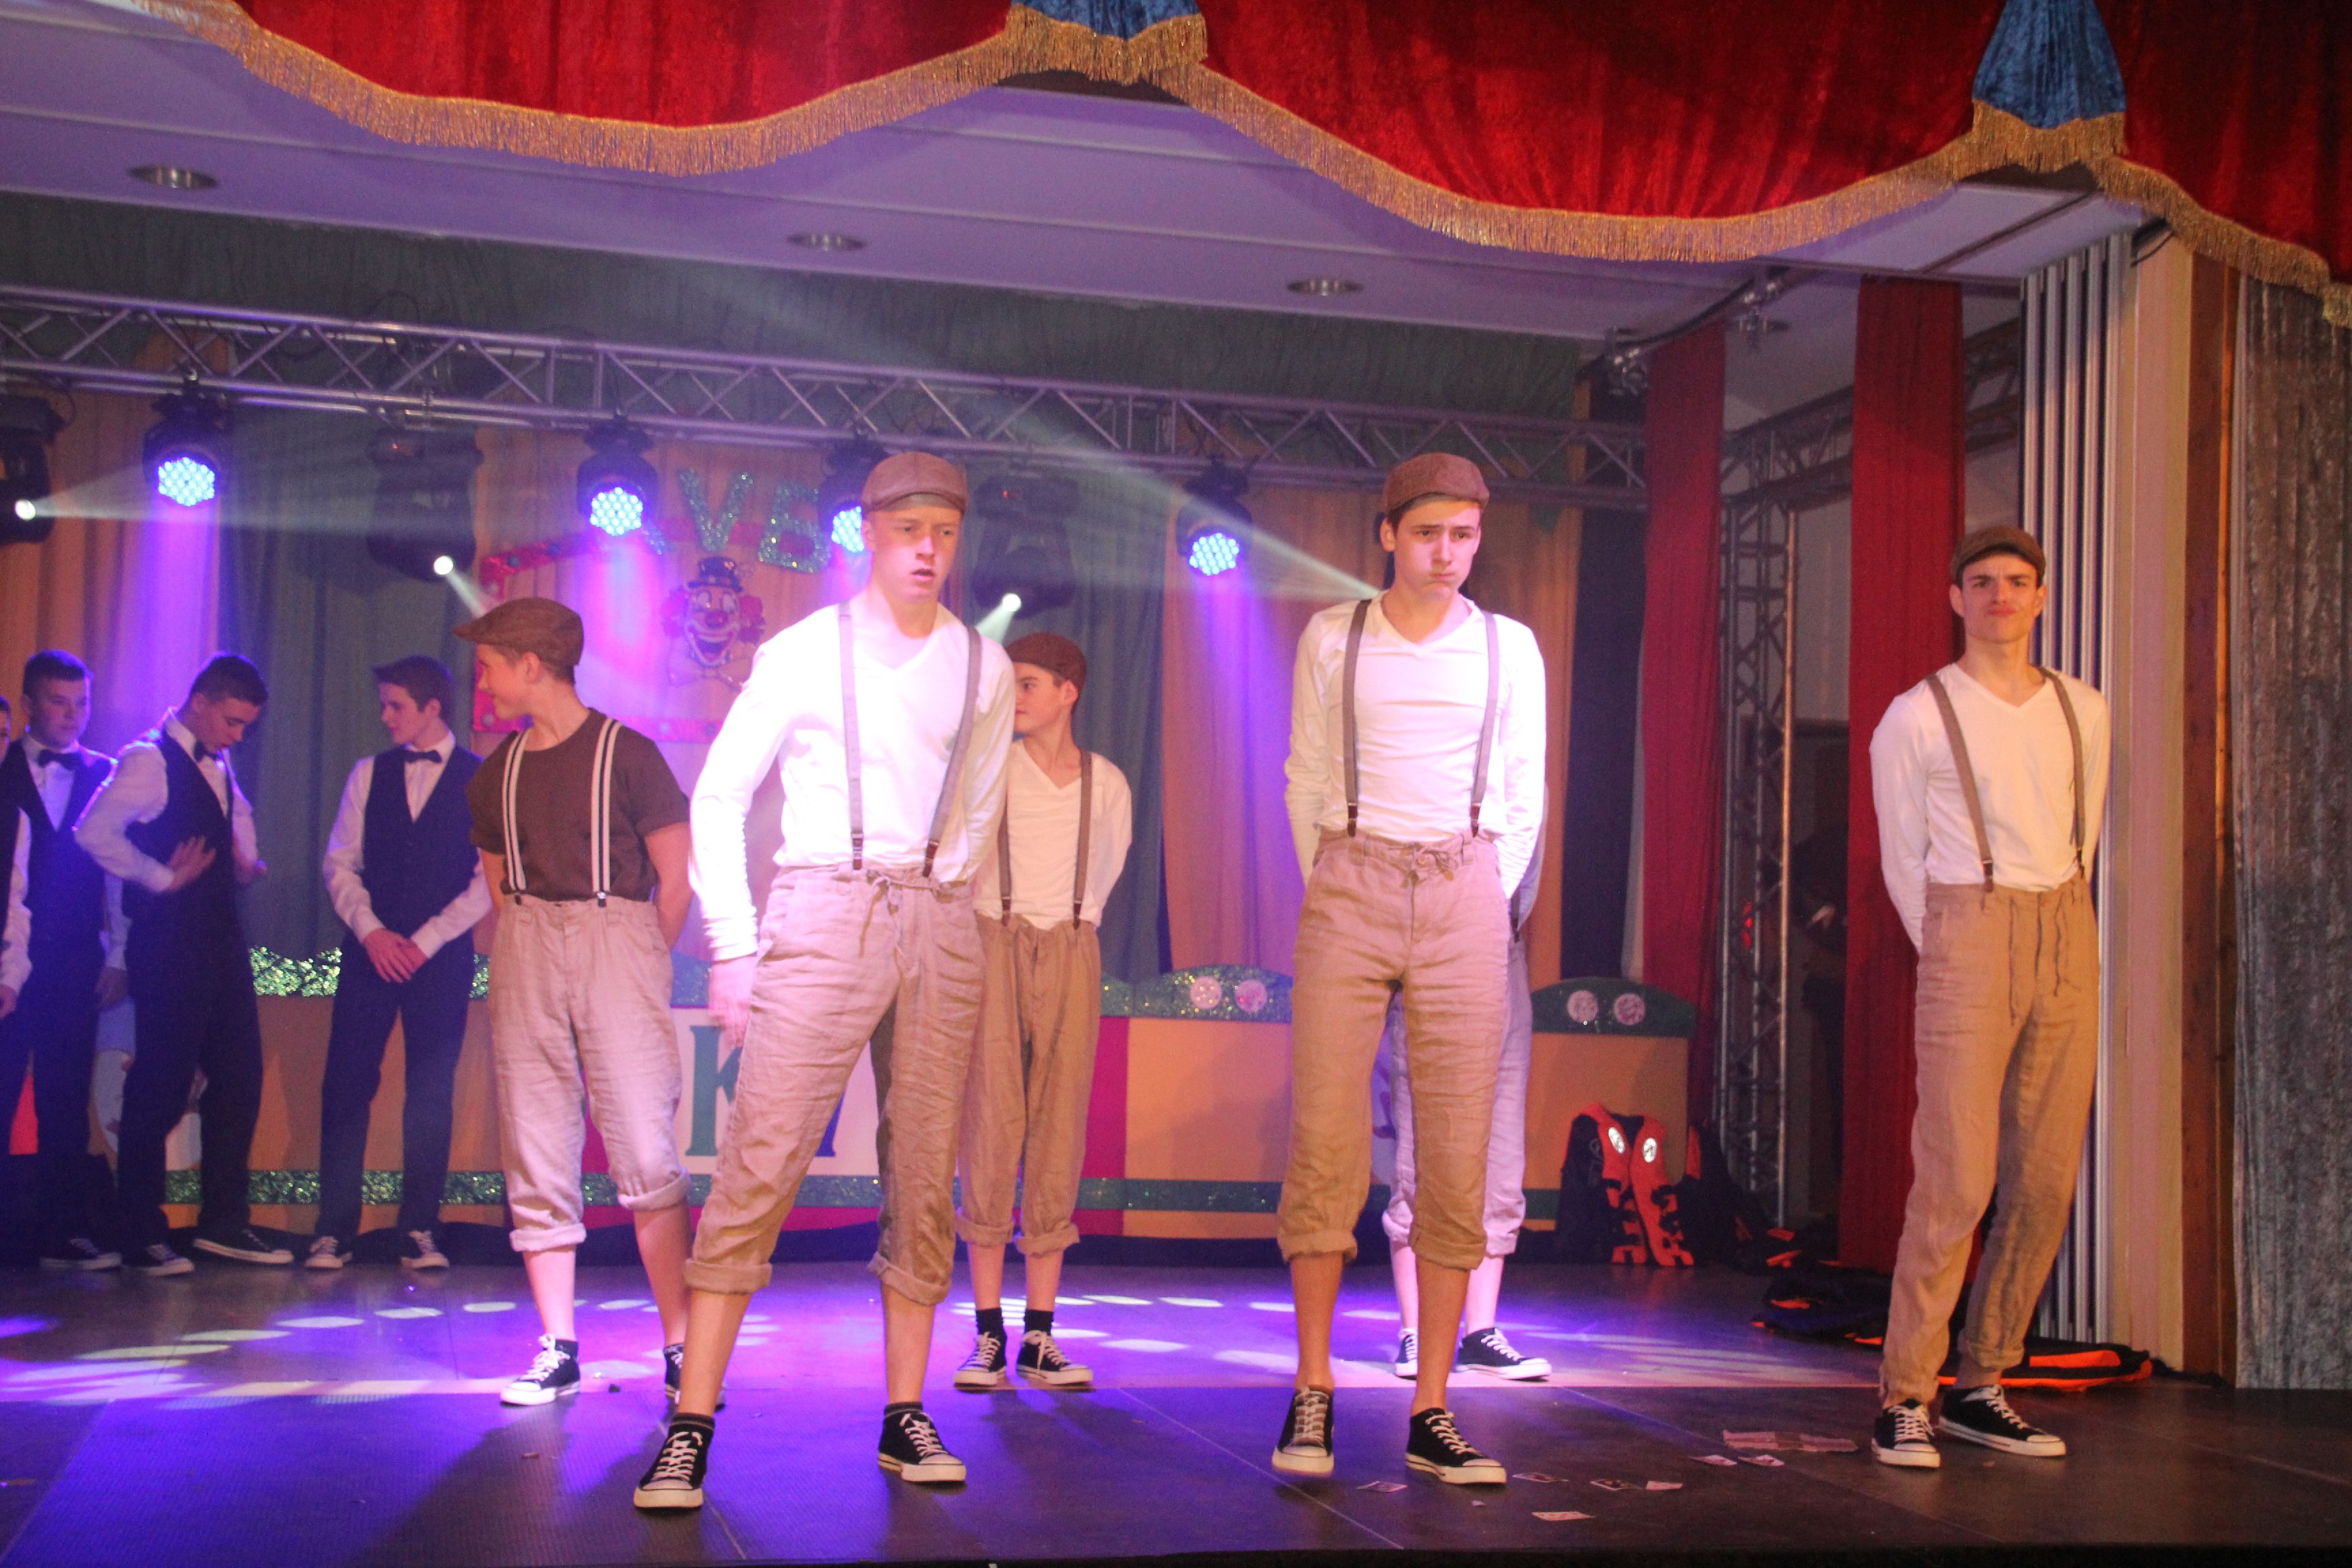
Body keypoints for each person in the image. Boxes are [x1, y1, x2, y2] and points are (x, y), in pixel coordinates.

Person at [636, 451, 1013, 1509]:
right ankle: (691, 1423)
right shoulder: (805, 651)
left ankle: (905, 1414)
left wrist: (949, 895)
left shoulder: (982, 664)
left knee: (923, 1171)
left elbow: (981, 804)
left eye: (944, 533)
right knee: (761, 1161)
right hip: (823, 904)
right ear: (870, 531)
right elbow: (717, 796)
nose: (928, 551)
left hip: (938, 915)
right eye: (909, 531)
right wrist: (735, 943)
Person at [1273, 453, 1546, 1485]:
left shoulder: (1509, 647)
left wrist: (1481, 892)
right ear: (1389, 533)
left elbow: (1524, 790)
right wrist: (1339, 873)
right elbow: (1305, 770)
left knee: (1457, 1146)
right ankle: (1313, 1388)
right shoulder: (1334, 635)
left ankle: (1434, 1404)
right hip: (1353, 876)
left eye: (1464, 535)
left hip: (1465, 885)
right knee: (1327, 1139)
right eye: (1428, 533)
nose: (1447, 553)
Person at [1866, 525, 2109, 1470]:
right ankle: (1906, 1394)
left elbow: (2085, 830)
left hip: (2065, 923)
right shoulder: (1917, 715)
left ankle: (1983, 1382)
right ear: (1956, 598)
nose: (2001, 596)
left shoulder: (2082, 708)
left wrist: (2058, 922)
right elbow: (1902, 860)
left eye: (2017, 581)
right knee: (1958, 1179)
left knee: (2043, 1178)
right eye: (1982, 582)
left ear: (2040, 597)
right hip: (1968, 922)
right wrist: (1956, 946)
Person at [457, 597, 695, 1407]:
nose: (483, 682)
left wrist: (636, 958)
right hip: (528, 941)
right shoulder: (495, 772)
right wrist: (531, 941)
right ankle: (557, 1347)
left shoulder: (629, 755)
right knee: (535, 1138)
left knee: (644, 1146)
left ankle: (681, 1343)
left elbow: (676, 879)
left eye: (491, 666)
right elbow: (500, 886)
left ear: (532, 665)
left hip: (615, 936)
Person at [951, 631, 1133, 1393]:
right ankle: (987, 1333)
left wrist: (1067, 930)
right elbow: (961, 858)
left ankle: (1041, 1335)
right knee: (992, 1127)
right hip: (995, 942)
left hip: (1069, 945)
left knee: (1059, 1131)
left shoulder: (1106, 783)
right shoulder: (990, 768)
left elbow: (1105, 870)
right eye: (1011, 684)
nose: (1017, 697)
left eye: (1029, 684)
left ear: (1068, 692)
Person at [77, 653, 283, 1275]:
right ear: (200, 702)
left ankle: (223, 1223)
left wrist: (245, 861)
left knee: (240, 1077)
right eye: (231, 721)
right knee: (161, 1085)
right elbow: (93, 833)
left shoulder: (216, 759)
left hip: (221, 941)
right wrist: (161, 877)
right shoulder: (148, 760)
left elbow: (234, 817)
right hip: (169, 945)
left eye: (245, 724)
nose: (237, 735)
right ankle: (139, 1230)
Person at [307, 656, 491, 1271]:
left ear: (432, 708)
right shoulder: (368, 774)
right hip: (370, 955)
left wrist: (426, 941)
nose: (385, 717)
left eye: (396, 706)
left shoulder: (480, 779)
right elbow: (340, 864)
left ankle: (419, 1228)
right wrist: (373, 933)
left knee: (431, 1092)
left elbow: (487, 881)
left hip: (441, 960)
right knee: (346, 1085)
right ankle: (333, 1230)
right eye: (384, 704)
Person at [1379, 839, 1550, 1385]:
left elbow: (1526, 857)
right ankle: (1415, 1330)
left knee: (1502, 1150)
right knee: (1421, 1154)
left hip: (1501, 944)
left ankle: (1480, 1331)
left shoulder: (1524, 785)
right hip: (1436, 941)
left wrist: (1502, 922)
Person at [0, 651, 130, 1271]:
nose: (73, 715)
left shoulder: (106, 774)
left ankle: (64, 1231)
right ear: (28, 704)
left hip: (77, 958)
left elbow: (117, 876)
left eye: (82, 703)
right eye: (59, 701)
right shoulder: (2, 766)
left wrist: (120, 954)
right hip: (7, 957)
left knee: (64, 1096)